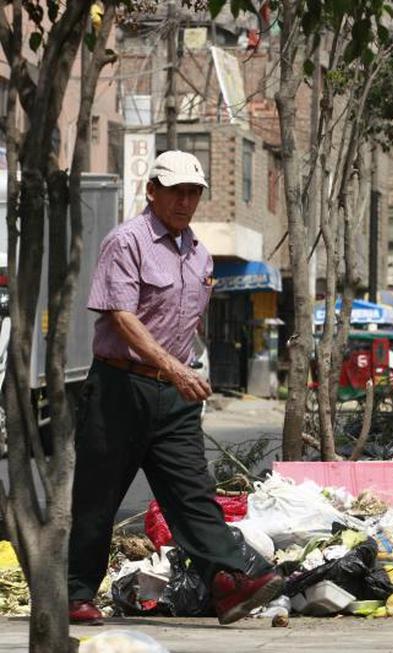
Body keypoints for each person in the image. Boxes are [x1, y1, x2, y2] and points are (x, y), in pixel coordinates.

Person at [68, 151, 283, 625]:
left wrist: (185, 370)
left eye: (193, 193)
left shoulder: (200, 253)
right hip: (120, 387)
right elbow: (121, 317)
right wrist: (174, 368)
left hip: (174, 396)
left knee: (192, 493)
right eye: (176, 191)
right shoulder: (127, 241)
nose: (185, 201)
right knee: (97, 497)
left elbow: (184, 323)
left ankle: (231, 581)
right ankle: (76, 594)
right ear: (153, 191)